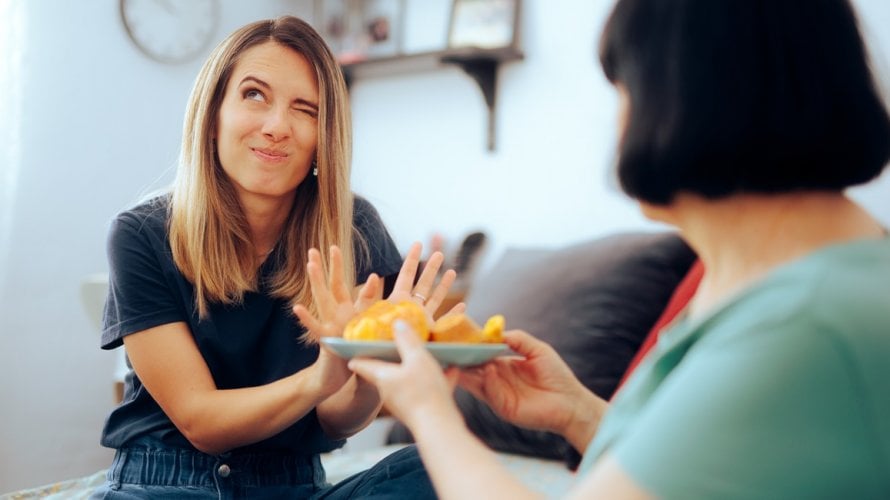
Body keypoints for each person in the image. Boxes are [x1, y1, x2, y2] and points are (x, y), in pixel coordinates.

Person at [306, 0, 890, 498]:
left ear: (689, 94)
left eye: (624, 88)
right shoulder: (784, 281)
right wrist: (577, 413)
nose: (617, 124)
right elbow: (701, 466)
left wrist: (430, 413)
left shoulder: (805, 323)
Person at [91, 16, 454, 499]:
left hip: (295, 485)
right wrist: (319, 377)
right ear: (213, 112)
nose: (277, 126)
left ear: (323, 137)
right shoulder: (141, 233)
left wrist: (369, 366)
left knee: (439, 463)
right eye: (254, 95)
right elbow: (201, 420)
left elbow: (337, 420)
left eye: (305, 109)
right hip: (166, 483)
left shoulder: (353, 229)